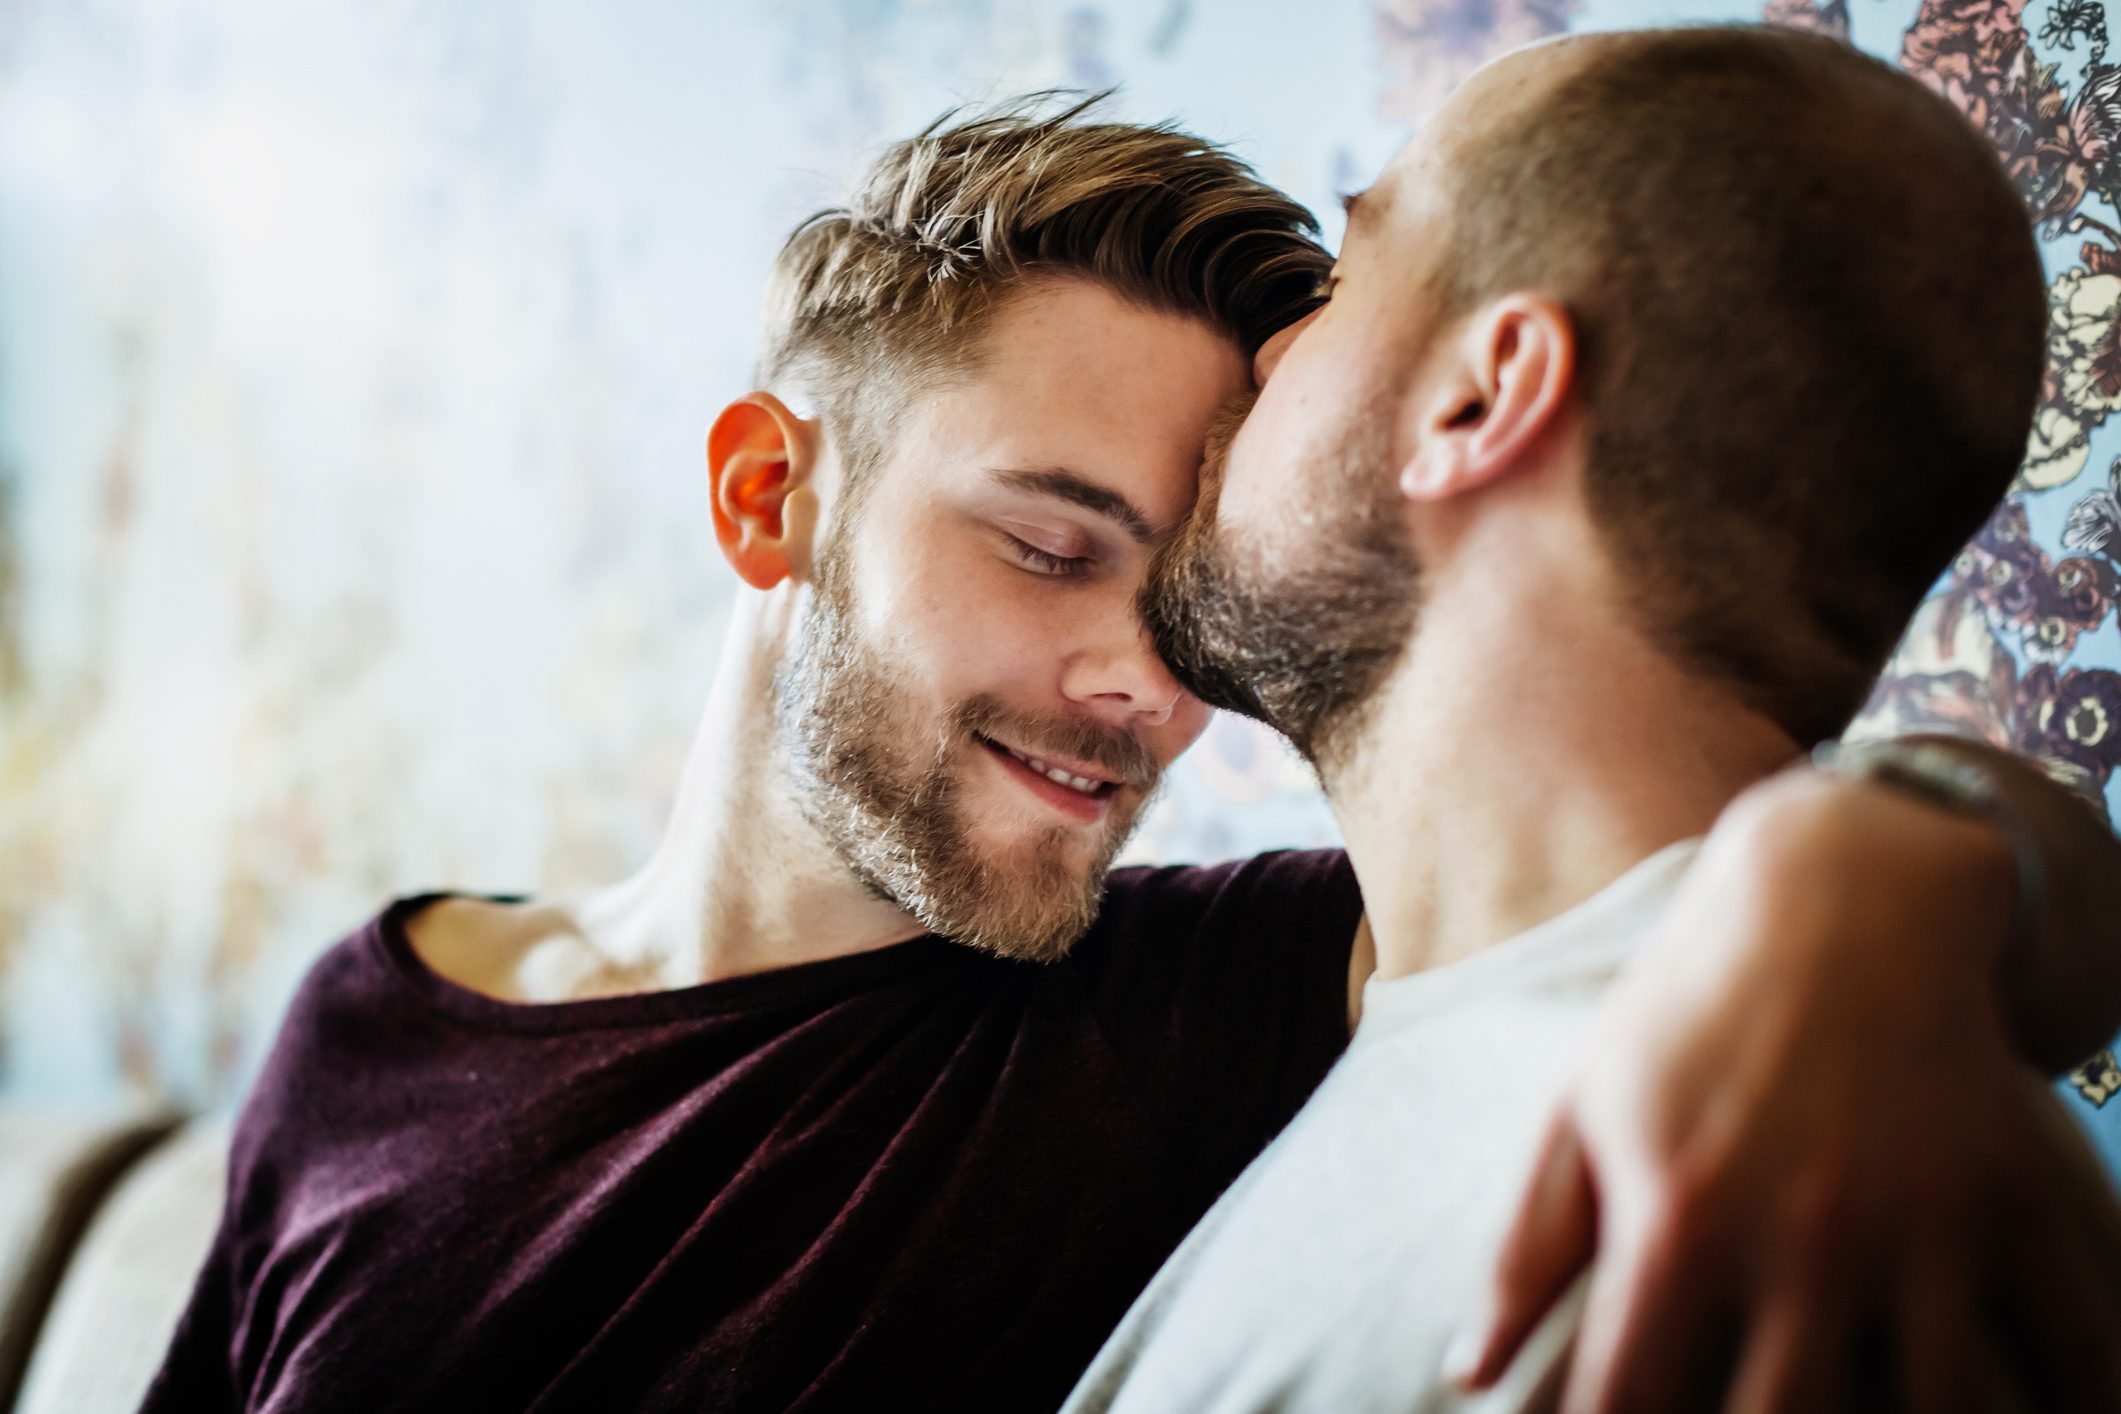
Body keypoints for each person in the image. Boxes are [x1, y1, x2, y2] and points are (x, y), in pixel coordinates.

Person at [144, 91, 2121, 1414]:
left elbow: (1592, 901)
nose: (1143, 685)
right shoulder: (370, 1014)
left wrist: (1879, 862)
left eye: (1165, 592)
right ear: (766, 495)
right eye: (1044, 542)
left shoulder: (1190, 1013)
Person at [1064, 26, 2121, 1414]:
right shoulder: (1430, 1056)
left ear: (1482, 396)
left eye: (1340, 276)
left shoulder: (1752, 1218)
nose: (1266, 353)